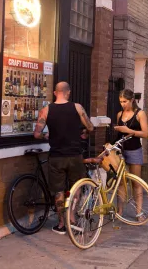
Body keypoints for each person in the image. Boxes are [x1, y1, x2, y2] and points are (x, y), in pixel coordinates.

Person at [33, 81, 94, 235]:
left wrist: (47, 135)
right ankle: (72, 219)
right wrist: (84, 134)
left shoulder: (46, 110)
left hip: (56, 157)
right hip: (75, 156)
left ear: (55, 93)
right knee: (76, 188)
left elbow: (37, 134)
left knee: (59, 191)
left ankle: (61, 224)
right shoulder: (77, 107)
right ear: (68, 92)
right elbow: (90, 127)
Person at [114, 89, 148, 221]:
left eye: (125, 101)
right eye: (121, 102)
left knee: (136, 182)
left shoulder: (140, 114)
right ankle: (120, 211)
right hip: (121, 150)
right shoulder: (119, 114)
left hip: (134, 150)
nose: (123, 104)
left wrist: (129, 131)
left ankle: (139, 212)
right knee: (121, 182)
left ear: (132, 100)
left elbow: (145, 134)